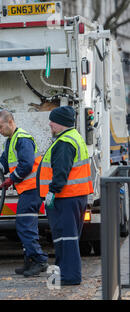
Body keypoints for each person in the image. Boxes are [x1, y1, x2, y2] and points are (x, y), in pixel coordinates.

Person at [0, 110, 48, 277]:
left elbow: (27, 164)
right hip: (28, 189)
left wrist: (12, 179)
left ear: (10, 122)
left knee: (24, 225)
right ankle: (30, 261)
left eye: (0, 127)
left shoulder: (22, 139)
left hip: (32, 188)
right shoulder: (11, 141)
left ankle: (39, 260)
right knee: (26, 225)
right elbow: (3, 166)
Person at [38, 106, 93, 286]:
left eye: (52, 120)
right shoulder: (71, 138)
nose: (50, 124)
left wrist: (52, 191)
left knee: (66, 237)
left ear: (61, 123)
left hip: (66, 197)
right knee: (66, 237)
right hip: (73, 196)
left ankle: (69, 276)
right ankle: (63, 274)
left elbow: (61, 171)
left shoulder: (64, 142)